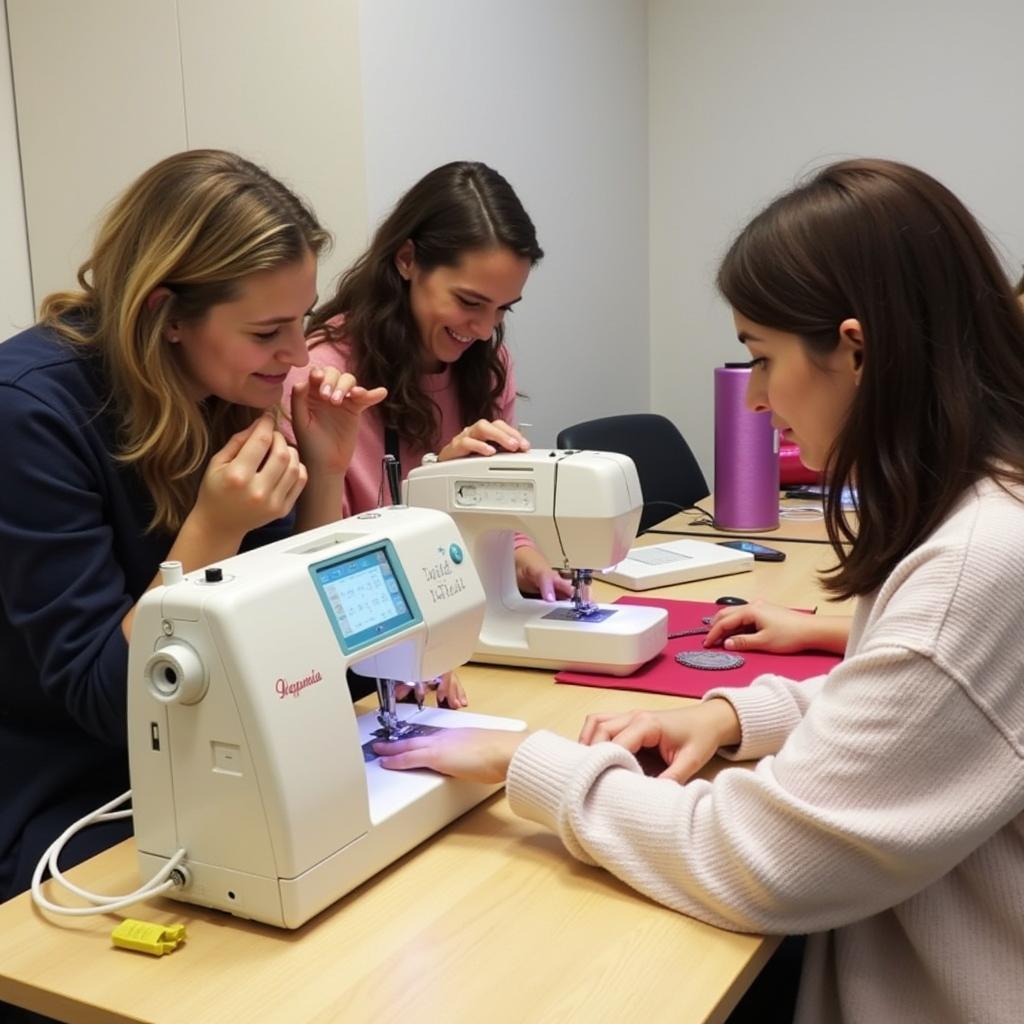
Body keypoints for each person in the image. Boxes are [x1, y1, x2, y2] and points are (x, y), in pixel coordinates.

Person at [373, 159, 1024, 1023]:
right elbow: (910, 703)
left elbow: (765, 858)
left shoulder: (975, 567)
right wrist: (732, 716)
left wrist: (521, 759)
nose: (753, 399)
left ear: (857, 351)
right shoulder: (984, 512)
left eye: (761, 359)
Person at [0, 149, 384, 908]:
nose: (298, 354)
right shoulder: (28, 415)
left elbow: (310, 651)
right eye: (269, 330)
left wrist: (326, 471)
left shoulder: (221, 388)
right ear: (165, 315)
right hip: (70, 809)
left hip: (209, 770)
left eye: (303, 321)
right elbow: (110, 702)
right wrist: (212, 529)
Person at [287, 161, 572, 707]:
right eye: (469, 302)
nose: (485, 329)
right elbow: (325, 564)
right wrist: (436, 489)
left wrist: (523, 554)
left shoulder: (486, 364)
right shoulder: (318, 379)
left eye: (501, 309)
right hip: (363, 671)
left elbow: (498, 515)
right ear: (407, 258)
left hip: (454, 629)